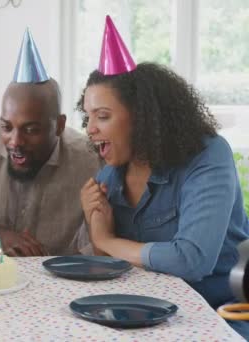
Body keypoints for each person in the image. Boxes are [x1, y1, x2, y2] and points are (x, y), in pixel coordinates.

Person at [79, 16, 249, 338]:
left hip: (220, 311)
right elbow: (112, 266)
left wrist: (106, 240)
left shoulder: (208, 156)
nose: (90, 128)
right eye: (87, 116)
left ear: (143, 117)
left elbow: (191, 260)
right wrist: (97, 223)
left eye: (102, 116)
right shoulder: (109, 176)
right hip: (146, 314)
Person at [0, 29, 100, 256]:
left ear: (59, 125)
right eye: (6, 127)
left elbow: (98, 244)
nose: (16, 141)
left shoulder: (90, 162)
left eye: (31, 130)